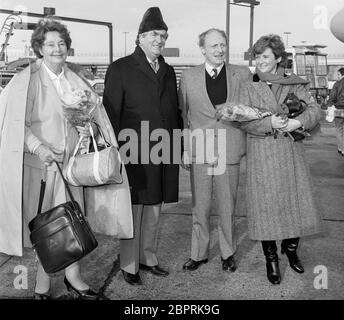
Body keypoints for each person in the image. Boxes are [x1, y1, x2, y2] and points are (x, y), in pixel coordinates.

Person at [0, 18, 133, 299]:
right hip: (42, 168)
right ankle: (42, 284)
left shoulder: (76, 79)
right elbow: (16, 125)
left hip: (72, 168)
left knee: (72, 222)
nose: (57, 48)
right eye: (50, 44)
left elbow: (89, 117)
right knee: (47, 227)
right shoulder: (29, 81)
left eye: (61, 43)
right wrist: (38, 147)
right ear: (39, 48)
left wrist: (86, 127)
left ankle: (74, 278)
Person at [103, 7, 182, 286]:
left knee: (155, 209)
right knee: (134, 210)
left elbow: (173, 110)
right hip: (133, 151)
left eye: (162, 35)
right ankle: (129, 264)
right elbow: (110, 114)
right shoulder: (121, 68)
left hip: (164, 149)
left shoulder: (169, 71)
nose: (159, 40)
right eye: (152, 35)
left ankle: (148, 258)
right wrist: (113, 151)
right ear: (139, 38)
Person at [239, 34, 322, 284]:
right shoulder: (248, 84)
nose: (260, 61)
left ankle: (291, 249)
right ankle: (271, 257)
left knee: (294, 204)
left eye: (265, 56)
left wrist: (298, 121)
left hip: (290, 153)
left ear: (277, 58)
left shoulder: (294, 82)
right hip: (262, 154)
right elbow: (241, 119)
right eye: (257, 56)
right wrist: (269, 123)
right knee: (265, 207)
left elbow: (314, 109)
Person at [178, 29, 251, 272]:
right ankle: (198, 253)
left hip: (229, 149)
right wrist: (185, 149)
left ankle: (227, 253)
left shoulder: (241, 73)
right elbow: (183, 116)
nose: (220, 50)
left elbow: (250, 109)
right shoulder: (188, 77)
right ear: (202, 49)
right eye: (214, 46)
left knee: (227, 206)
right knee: (200, 206)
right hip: (200, 149)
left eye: (223, 45)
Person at [327, 67, 344, 155]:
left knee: (339, 129)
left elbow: (332, 97)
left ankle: (342, 149)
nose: (337, 76)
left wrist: (329, 106)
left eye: (337, 74)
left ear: (340, 74)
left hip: (339, 109)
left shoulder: (337, 84)